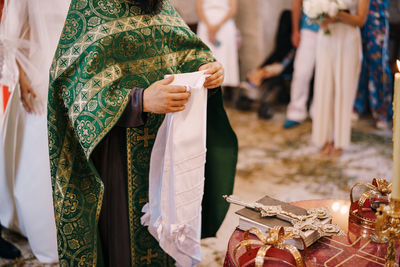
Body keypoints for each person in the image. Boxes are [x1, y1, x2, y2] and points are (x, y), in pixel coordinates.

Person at [48, 0, 238, 266]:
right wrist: (139, 101)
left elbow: (186, 51)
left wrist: (208, 70)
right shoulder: (92, 7)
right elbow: (72, 88)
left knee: (165, 230)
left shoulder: (158, 5)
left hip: (169, 142)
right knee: (124, 241)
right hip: (118, 151)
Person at [0, 0, 70, 263]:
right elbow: (11, 34)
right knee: (38, 156)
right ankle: (43, 229)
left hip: (78, 74)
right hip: (38, 73)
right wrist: (22, 76)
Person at [312, 0, 369, 156]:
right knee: (324, 88)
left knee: (344, 91)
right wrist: (319, 16)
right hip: (326, 37)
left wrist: (337, 14)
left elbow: (360, 20)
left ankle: (340, 141)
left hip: (348, 38)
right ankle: (326, 138)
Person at [236, 10, 294, 119]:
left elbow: (284, 62)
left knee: (267, 71)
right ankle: (253, 81)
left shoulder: (291, 50)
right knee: (262, 69)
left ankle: (255, 81)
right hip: (277, 60)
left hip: (283, 65)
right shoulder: (281, 45)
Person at [354, 0, 393, 129]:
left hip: (377, 18)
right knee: (359, 63)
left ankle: (383, 111)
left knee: (379, 64)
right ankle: (358, 105)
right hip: (356, 17)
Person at [283, 0, 319, 129]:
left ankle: (318, 112)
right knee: (301, 72)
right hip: (307, 30)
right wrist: (295, 30)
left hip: (329, 30)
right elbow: (297, 4)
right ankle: (296, 112)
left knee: (323, 75)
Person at [197, 0, 240, 88]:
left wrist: (217, 26)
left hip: (224, 24)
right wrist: (209, 27)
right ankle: (205, 90)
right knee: (206, 57)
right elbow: (199, 8)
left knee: (223, 57)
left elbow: (233, 9)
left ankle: (221, 92)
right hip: (206, 23)